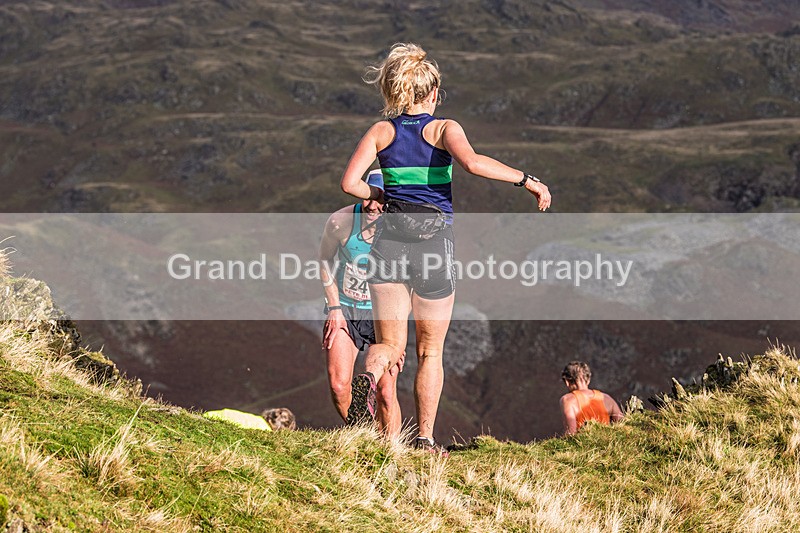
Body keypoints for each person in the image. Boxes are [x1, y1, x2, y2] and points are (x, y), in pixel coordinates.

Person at [339, 43, 551, 453]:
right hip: (434, 244)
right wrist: (528, 180)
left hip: (389, 244)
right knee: (429, 350)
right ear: (433, 93)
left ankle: (371, 372)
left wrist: (377, 196)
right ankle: (424, 439)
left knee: (390, 346)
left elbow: (349, 183)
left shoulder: (381, 132)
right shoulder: (443, 129)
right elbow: (473, 163)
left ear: (396, 91)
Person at [319, 170, 404, 436]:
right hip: (346, 309)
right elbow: (323, 261)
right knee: (339, 385)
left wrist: (398, 335)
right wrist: (334, 308)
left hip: (386, 316)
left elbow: (412, 281)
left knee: (386, 394)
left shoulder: (402, 227)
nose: (371, 206)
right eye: (367, 197)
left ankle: (392, 451)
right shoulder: (340, 221)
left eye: (379, 200)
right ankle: (364, 438)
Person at [559, 361, 623, 436]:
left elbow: (571, 432)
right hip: (607, 444)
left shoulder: (567, 400)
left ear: (567, 382)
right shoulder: (607, 398)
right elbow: (623, 425)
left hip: (584, 446)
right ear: (588, 380)